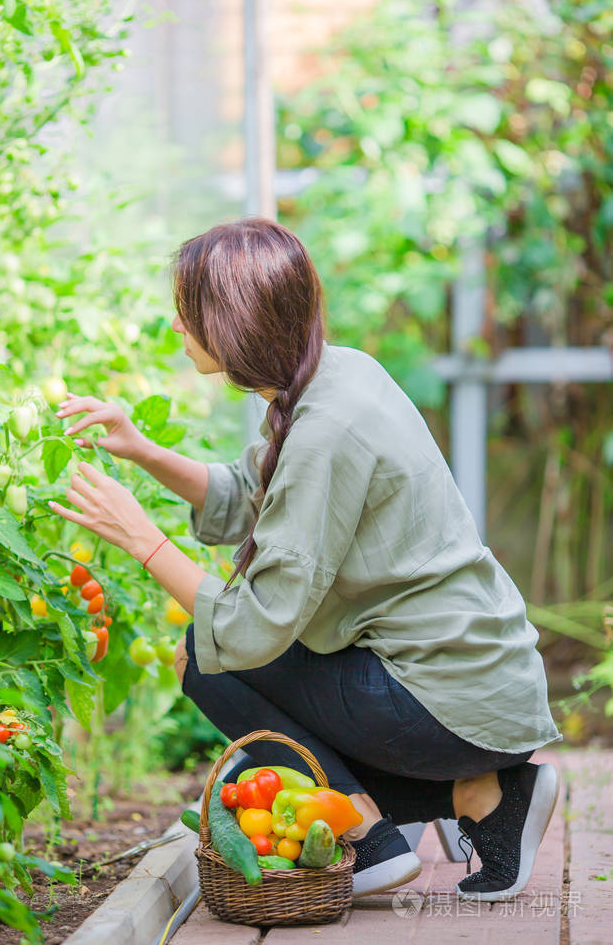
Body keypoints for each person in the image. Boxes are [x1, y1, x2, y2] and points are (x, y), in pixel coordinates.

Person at [49, 217, 562, 901]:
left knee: (210, 658)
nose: (177, 324)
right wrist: (143, 449)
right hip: (480, 684)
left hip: (453, 700)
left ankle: (367, 835)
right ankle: (485, 797)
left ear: (231, 321)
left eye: (189, 309)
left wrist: (142, 538)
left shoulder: (325, 427)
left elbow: (252, 626)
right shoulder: (333, 375)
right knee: (226, 657)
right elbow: (247, 495)